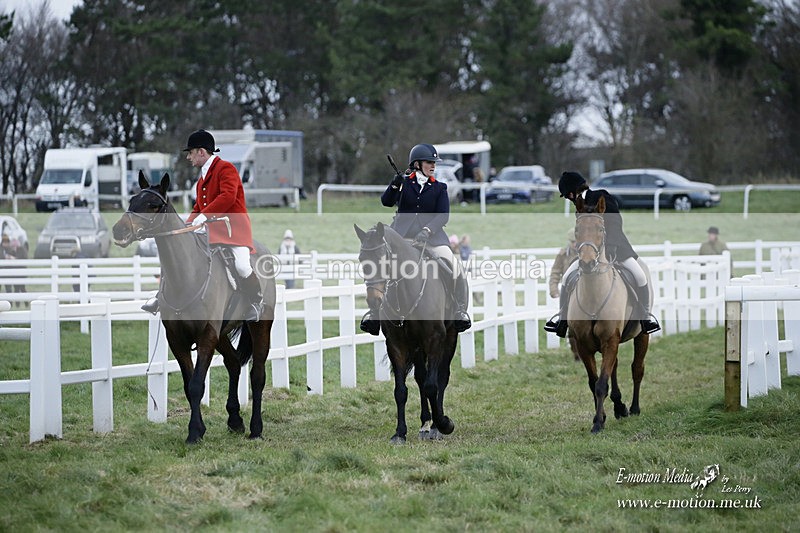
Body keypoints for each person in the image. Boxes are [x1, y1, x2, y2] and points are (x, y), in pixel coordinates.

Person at [141, 129, 263, 321]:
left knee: (241, 266)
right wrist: (185, 228)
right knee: (182, 257)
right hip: (212, 233)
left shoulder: (226, 169)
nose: (188, 157)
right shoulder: (201, 180)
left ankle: (256, 303)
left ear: (201, 152)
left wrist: (205, 216)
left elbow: (228, 197)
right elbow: (199, 206)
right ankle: (161, 297)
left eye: (190, 153)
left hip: (234, 231)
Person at [359, 143, 471, 335]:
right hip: (401, 238)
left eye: (434, 163)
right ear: (417, 164)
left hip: (433, 239)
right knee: (380, 265)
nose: (433, 166)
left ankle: (460, 310)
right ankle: (374, 314)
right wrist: (395, 183)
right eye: (429, 162)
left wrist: (427, 230)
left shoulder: (439, 188)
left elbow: (443, 216)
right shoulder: (403, 184)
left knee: (454, 265)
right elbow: (386, 202)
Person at [544, 171, 660, 337]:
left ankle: (645, 318)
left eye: (567, 195)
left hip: (617, 250)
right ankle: (562, 320)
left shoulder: (601, 196)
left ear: (572, 191)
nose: (569, 198)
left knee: (640, 275)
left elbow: (615, 223)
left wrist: (607, 247)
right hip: (588, 254)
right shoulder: (579, 206)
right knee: (567, 278)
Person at [549, 228, 578, 299]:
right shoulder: (563, 255)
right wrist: (554, 290)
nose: (575, 244)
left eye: (577, 241)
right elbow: (555, 273)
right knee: (563, 308)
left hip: (584, 289)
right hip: (568, 289)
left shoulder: (587, 255)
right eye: (572, 242)